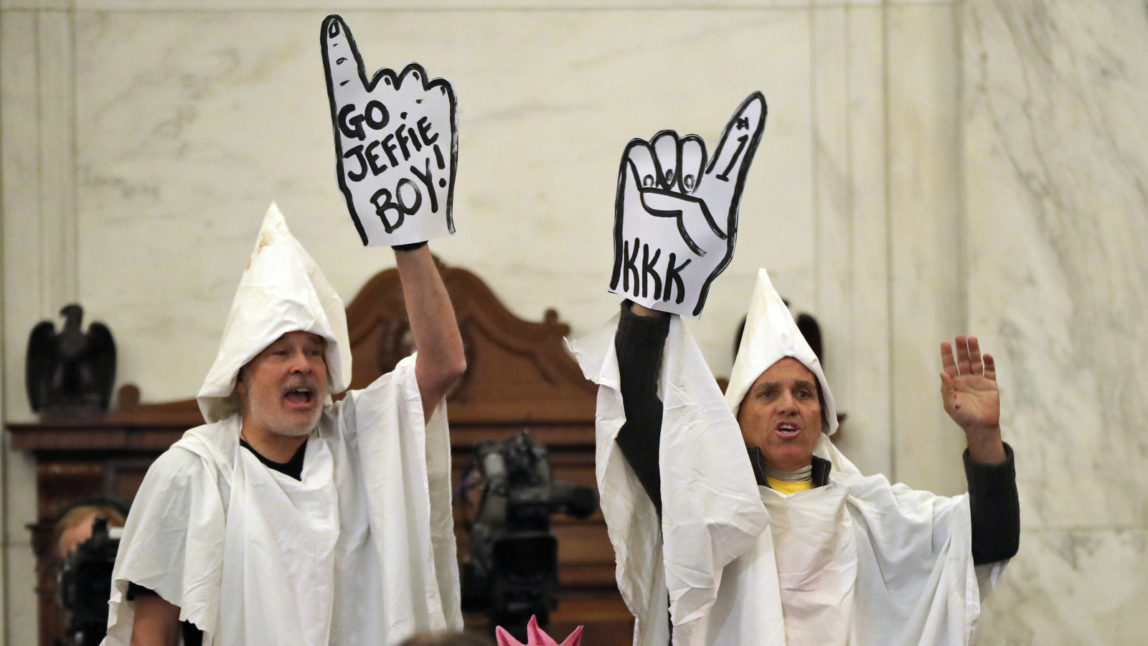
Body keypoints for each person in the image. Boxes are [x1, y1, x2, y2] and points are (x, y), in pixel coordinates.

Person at [571, 268, 1020, 645]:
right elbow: (630, 408)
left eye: (803, 393)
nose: (788, 404)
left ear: (821, 415)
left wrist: (984, 434)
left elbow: (989, 539)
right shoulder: (704, 503)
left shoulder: (868, 513)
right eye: (768, 393)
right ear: (737, 418)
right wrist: (652, 293)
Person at [101, 203, 467, 646]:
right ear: (240, 377)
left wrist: (410, 238)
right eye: (281, 352)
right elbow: (152, 633)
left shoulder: (357, 439)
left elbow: (444, 364)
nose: (303, 365)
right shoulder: (192, 473)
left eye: (314, 351)